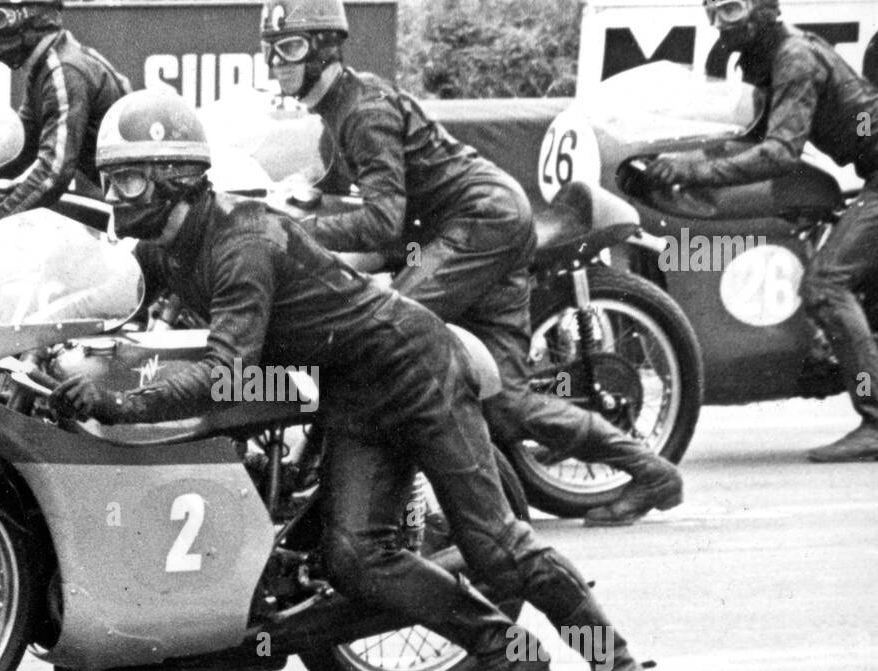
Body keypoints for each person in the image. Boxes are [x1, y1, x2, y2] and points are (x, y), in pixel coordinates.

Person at [47, 89, 649, 671]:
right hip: (353, 389)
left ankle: (615, 666)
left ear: (177, 177)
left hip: (417, 370)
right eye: (112, 179)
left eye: (130, 178)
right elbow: (104, 302)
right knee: (357, 558)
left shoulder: (242, 242)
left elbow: (228, 371)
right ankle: (503, 649)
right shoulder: (165, 247)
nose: (116, 196)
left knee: (496, 545)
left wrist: (121, 402)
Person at [257, 0, 683, 526]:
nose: (276, 60)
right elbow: (344, 184)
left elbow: (383, 222)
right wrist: (294, 195)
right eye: (270, 48)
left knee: (385, 331)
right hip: (487, 222)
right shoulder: (338, 111)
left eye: (290, 47)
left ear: (324, 48)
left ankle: (380, 499)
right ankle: (652, 471)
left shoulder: (362, 111)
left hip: (479, 223)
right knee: (504, 400)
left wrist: (291, 231)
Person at [643, 0, 878, 462]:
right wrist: (679, 150)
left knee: (826, 287)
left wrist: (691, 169)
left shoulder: (794, 58)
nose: (719, 23)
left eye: (730, 9)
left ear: (763, 10)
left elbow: (779, 153)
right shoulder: (771, 58)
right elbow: (752, 139)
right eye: (713, 12)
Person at [0, 0, 131, 245]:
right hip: (120, 194)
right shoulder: (48, 64)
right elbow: (20, 146)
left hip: (130, 204)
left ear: (34, 17)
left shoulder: (64, 72)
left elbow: (53, 173)